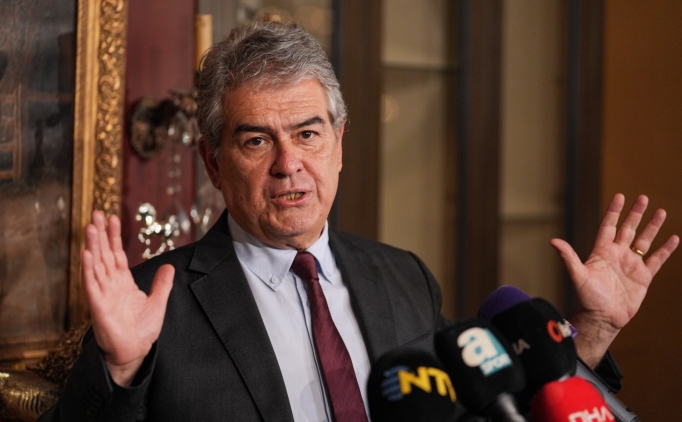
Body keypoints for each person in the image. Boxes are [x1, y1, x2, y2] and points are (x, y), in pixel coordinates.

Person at [46, 21, 678, 422]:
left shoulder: (403, 277)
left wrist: (592, 329)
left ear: (340, 144)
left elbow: (490, 406)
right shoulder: (154, 302)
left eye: (308, 133)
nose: (289, 164)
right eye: (257, 141)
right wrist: (120, 370)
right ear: (213, 162)